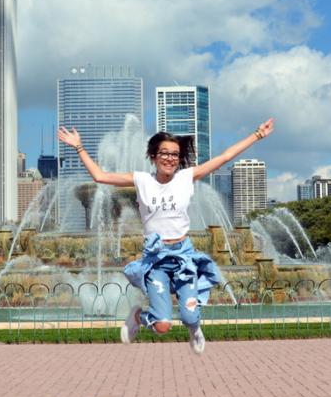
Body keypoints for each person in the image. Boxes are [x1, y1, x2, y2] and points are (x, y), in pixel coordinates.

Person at [58, 118, 274, 354]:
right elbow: (99, 176)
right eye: (164, 153)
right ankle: (139, 316)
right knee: (162, 326)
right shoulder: (141, 180)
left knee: (191, 315)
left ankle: (194, 329)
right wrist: (78, 147)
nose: (170, 158)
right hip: (157, 261)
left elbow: (223, 157)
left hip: (184, 257)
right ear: (153, 155)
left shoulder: (186, 177)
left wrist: (257, 135)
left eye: (175, 154)